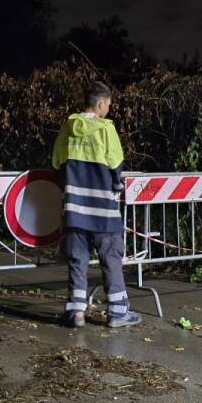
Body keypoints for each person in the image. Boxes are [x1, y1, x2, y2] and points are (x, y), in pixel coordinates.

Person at [51, 81, 141, 329]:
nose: (108, 110)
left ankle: (76, 313)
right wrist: (117, 184)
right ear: (101, 103)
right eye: (108, 105)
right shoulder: (106, 129)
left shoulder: (67, 128)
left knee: (77, 261)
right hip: (103, 211)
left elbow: (57, 162)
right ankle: (117, 313)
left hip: (74, 211)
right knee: (111, 259)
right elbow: (116, 166)